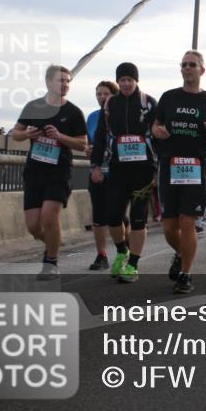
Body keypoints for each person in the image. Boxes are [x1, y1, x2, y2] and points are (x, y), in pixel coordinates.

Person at [150, 50, 206, 293]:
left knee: (188, 222)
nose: (187, 68)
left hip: (195, 166)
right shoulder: (169, 97)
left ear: (202, 70)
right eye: (184, 65)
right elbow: (156, 125)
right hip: (169, 165)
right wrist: (157, 131)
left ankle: (185, 274)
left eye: (192, 65)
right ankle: (180, 253)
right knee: (169, 227)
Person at [12, 65, 88, 279]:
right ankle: (53, 244)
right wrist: (27, 134)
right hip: (35, 172)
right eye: (60, 80)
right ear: (48, 82)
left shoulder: (73, 112)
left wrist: (60, 137)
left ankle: (51, 262)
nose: (65, 85)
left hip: (59, 172)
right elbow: (15, 133)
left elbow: (82, 145)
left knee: (48, 217)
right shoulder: (33, 107)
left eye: (68, 81)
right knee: (33, 226)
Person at [90, 62, 157, 284]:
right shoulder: (111, 104)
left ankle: (133, 265)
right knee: (113, 216)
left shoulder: (148, 103)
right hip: (118, 170)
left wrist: (158, 170)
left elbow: (159, 137)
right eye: (122, 80)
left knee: (138, 220)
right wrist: (96, 165)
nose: (126, 83)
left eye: (130, 79)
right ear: (118, 82)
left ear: (136, 81)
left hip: (143, 171)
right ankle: (122, 251)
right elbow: (100, 136)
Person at [85, 80, 118, 270]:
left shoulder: (120, 115)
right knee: (98, 215)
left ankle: (125, 250)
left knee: (119, 216)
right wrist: (89, 150)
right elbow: (87, 143)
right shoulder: (92, 117)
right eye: (98, 94)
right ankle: (101, 255)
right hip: (97, 171)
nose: (101, 97)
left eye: (105, 94)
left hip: (117, 173)